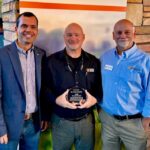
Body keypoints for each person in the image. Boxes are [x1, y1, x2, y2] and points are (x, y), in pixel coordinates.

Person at [43, 23, 103, 150]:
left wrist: (95, 99)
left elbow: (100, 88)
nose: (73, 38)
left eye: (77, 35)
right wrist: (55, 99)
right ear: (64, 37)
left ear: (83, 37)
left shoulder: (94, 61)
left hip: (86, 121)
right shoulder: (51, 62)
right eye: (69, 35)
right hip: (60, 121)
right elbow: (44, 88)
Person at [99, 19, 150, 150]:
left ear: (134, 34)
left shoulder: (145, 60)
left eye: (127, 32)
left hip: (134, 123)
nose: (122, 35)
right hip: (108, 121)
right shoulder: (105, 57)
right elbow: (98, 83)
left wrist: (147, 116)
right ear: (113, 36)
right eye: (119, 32)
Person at [0, 12, 48, 150]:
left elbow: (43, 88)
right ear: (16, 29)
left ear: (37, 31)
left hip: (34, 124)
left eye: (33, 27)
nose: (29, 30)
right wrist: (1, 128)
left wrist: (43, 115)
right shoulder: (2, 55)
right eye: (24, 26)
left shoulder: (41, 55)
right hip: (9, 125)